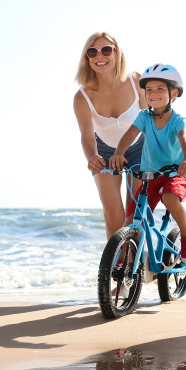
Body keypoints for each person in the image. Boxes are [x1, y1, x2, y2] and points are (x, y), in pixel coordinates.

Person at [109, 63, 186, 262]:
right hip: (150, 175)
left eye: (159, 89)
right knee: (131, 218)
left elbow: (184, 139)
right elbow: (130, 135)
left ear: (173, 93)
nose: (153, 94)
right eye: (149, 90)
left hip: (177, 173)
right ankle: (127, 260)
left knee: (169, 198)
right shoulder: (144, 117)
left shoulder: (177, 120)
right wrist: (119, 153)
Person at [74, 31, 147, 240]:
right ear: (86, 59)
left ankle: (137, 266)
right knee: (114, 216)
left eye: (106, 49)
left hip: (139, 148)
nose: (100, 56)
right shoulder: (82, 97)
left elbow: (154, 116)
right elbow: (87, 137)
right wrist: (91, 157)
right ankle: (115, 269)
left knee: (134, 215)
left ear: (117, 53)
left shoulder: (136, 81)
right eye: (92, 52)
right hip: (104, 151)